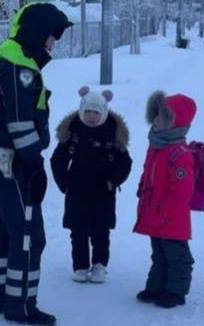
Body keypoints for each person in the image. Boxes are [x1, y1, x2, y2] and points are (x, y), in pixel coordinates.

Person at [0, 3, 72, 325]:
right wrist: (35, 166)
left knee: (1, 233)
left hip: (0, 163)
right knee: (29, 236)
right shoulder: (18, 66)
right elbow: (20, 124)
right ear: (38, 33)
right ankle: (21, 305)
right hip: (14, 166)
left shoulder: (5, 58)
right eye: (53, 37)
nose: (54, 44)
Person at [50, 87, 132, 284]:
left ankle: (99, 265)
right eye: (87, 111)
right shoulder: (73, 131)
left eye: (96, 112)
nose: (92, 116)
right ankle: (80, 266)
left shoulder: (112, 132)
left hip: (103, 191)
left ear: (103, 112)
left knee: (100, 231)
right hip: (77, 189)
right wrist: (64, 183)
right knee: (78, 231)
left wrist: (113, 180)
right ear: (81, 110)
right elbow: (58, 159)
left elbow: (125, 163)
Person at [134, 91, 196, 309]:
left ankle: (176, 291)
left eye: (163, 117)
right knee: (159, 252)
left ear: (176, 123)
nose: (156, 120)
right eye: (156, 115)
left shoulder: (180, 154)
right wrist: (142, 189)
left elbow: (181, 193)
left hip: (171, 218)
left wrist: (163, 212)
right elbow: (148, 171)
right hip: (155, 213)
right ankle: (156, 287)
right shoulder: (157, 145)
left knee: (176, 255)